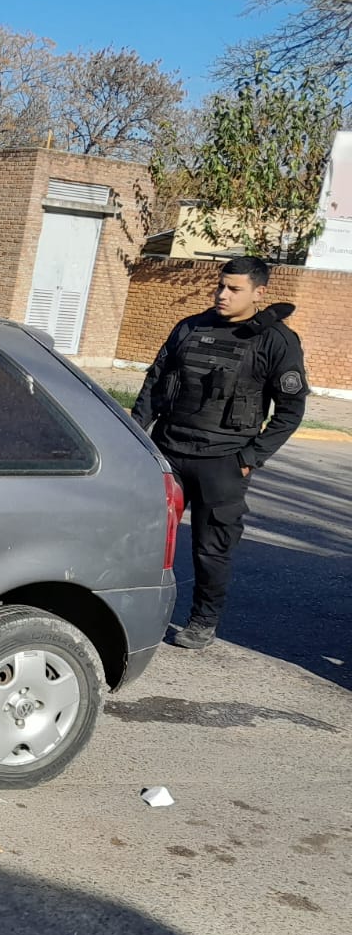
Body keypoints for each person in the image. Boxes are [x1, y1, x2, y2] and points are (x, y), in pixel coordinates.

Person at [131, 256, 309, 650]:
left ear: (259, 293)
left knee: (212, 549)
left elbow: (291, 409)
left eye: (234, 289)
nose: (222, 294)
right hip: (168, 451)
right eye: (221, 286)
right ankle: (138, 614)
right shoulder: (190, 327)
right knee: (147, 538)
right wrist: (136, 440)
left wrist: (249, 458)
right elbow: (154, 386)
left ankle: (202, 621)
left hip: (223, 462)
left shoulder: (276, 341)